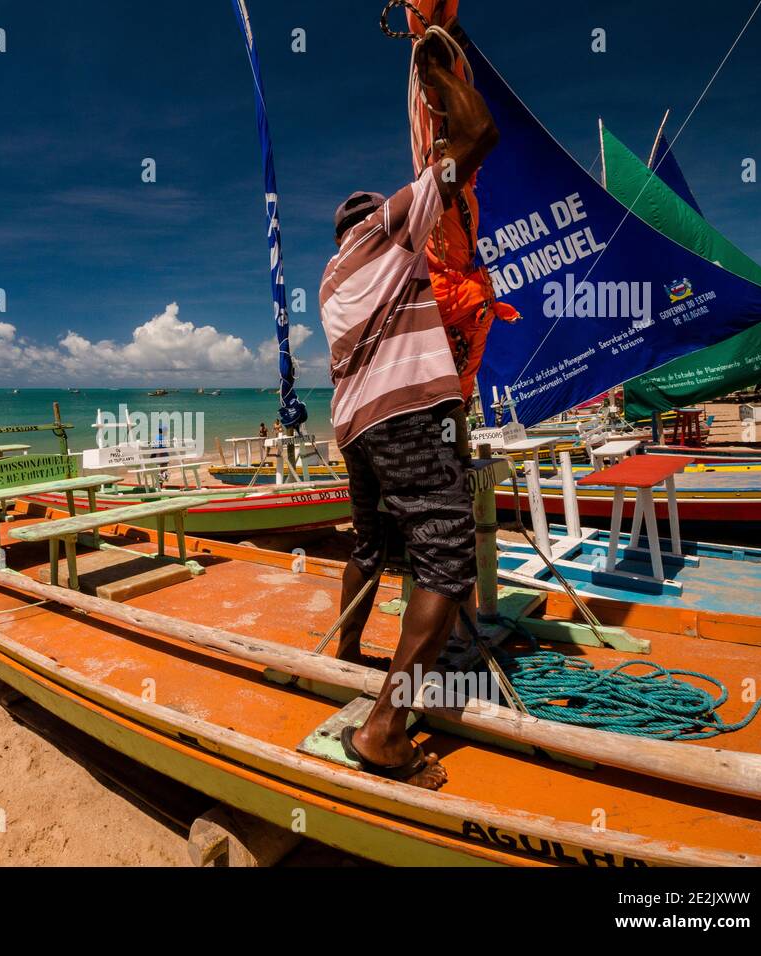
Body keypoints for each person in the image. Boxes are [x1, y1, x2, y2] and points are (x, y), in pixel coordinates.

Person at [316, 30, 498, 790]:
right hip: (403, 417)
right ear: (373, 218)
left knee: (372, 538)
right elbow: (477, 137)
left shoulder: (330, 277)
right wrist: (435, 68)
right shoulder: (392, 227)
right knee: (448, 556)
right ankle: (385, 732)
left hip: (353, 427)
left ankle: (347, 650)